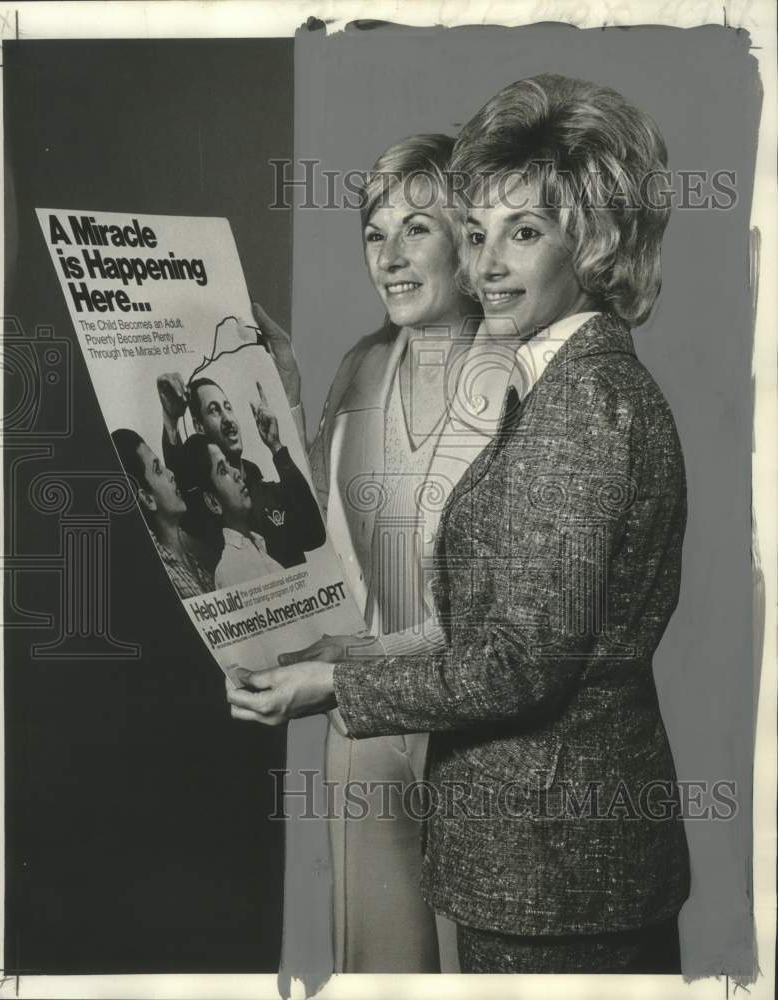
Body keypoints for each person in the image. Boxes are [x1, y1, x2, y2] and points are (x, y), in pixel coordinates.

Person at [228, 75, 692, 974]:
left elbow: (520, 659)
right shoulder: (408, 366)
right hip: (469, 777)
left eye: (517, 233)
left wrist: (336, 683)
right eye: (479, 233)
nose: (485, 261)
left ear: (589, 243)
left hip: (538, 825)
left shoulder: (565, 391)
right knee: (378, 964)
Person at [253, 134, 484, 972]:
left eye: (415, 229)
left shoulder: (528, 372)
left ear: (471, 236)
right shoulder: (361, 365)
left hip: (483, 724)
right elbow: (312, 538)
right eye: (373, 232)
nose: (388, 256)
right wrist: (273, 399)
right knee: (378, 968)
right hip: (363, 724)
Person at [156, 373, 325, 569]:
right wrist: (171, 420)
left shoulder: (270, 492)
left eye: (228, 407)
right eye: (214, 411)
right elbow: (180, 485)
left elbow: (315, 535)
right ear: (199, 426)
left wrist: (276, 447)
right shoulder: (210, 508)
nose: (227, 418)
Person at [111, 427, 214, 598]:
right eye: (158, 470)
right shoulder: (160, 574)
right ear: (148, 499)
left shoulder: (195, 562)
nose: (171, 474)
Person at [178, 433, 281, 587]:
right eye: (223, 470)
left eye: (229, 464)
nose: (237, 473)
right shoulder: (229, 571)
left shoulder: (259, 543)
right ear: (213, 502)